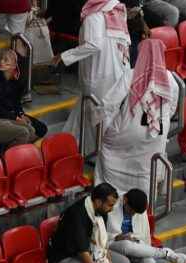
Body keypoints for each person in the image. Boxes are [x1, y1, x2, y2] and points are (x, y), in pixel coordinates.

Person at [95, 37, 179, 195]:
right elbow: (173, 107)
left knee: (106, 146)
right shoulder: (171, 78)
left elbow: (109, 104)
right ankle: (144, 204)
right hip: (158, 133)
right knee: (147, 167)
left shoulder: (131, 75)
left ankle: (112, 195)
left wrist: (99, 122)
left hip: (130, 130)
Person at [54, 0, 132, 155]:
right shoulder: (117, 11)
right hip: (119, 72)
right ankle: (72, 149)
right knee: (88, 113)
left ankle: (97, 152)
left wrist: (64, 56)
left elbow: (94, 44)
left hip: (99, 75)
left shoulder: (94, 16)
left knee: (97, 116)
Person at [48, 183, 131, 263]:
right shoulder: (77, 215)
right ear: (98, 202)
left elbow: (103, 244)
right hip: (63, 256)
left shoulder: (101, 210)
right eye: (110, 205)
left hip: (91, 251)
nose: (111, 209)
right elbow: (84, 254)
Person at [106, 189, 186, 263]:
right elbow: (103, 235)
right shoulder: (111, 205)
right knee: (127, 245)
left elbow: (143, 234)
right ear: (125, 200)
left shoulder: (139, 207)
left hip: (135, 243)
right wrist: (119, 237)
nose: (132, 214)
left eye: (135, 213)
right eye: (131, 211)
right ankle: (166, 253)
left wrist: (135, 239)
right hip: (114, 243)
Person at [0, 51, 48, 140]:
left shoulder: (17, 81)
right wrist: (16, 118)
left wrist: (21, 114)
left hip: (14, 114)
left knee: (41, 128)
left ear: (15, 65)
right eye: (1, 59)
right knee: (28, 130)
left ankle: (22, 147)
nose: (1, 62)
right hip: (0, 116)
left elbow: (17, 102)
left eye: (5, 60)